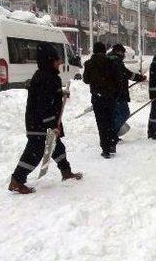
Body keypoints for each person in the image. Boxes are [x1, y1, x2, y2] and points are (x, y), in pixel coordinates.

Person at [9, 43, 82, 194]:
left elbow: (48, 96)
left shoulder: (47, 76)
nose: (61, 62)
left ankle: (66, 172)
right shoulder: (46, 77)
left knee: (57, 147)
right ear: (50, 61)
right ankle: (17, 179)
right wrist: (51, 125)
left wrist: (60, 94)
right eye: (57, 60)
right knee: (34, 153)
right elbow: (43, 104)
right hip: (40, 123)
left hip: (45, 122)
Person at [83, 42, 118, 158]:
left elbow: (86, 80)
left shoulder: (89, 64)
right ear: (104, 51)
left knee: (101, 123)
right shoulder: (111, 62)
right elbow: (116, 79)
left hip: (97, 98)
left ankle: (105, 149)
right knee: (111, 120)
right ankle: (112, 143)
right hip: (110, 97)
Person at [108, 44, 146, 144]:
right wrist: (140, 77)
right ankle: (111, 134)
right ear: (118, 51)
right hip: (118, 93)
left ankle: (111, 135)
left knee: (115, 114)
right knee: (124, 113)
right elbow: (126, 74)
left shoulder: (109, 59)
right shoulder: (116, 61)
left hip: (110, 93)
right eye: (122, 52)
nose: (124, 55)